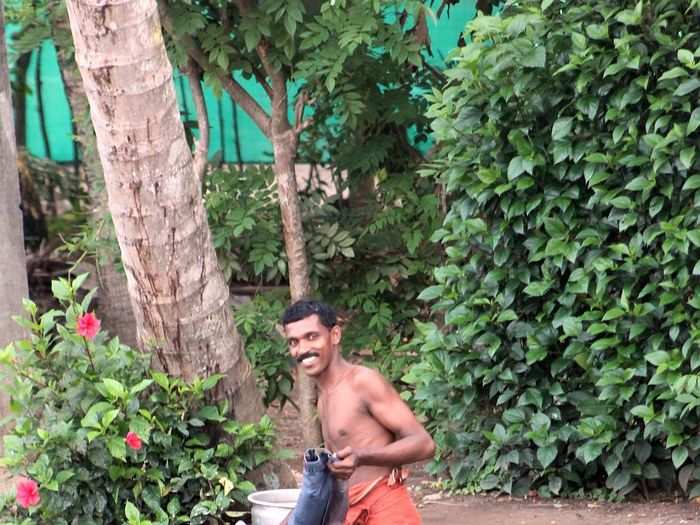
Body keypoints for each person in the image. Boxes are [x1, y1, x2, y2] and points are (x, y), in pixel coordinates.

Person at [282, 299, 436, 525]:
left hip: (386, 509)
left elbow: (424, 443)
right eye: (293, 342)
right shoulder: (324, 396)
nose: (302, 349)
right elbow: (338, 472)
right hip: (350, 510)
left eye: (312, 337)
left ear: (334, 335)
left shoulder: (362, 382)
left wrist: (361, 457)